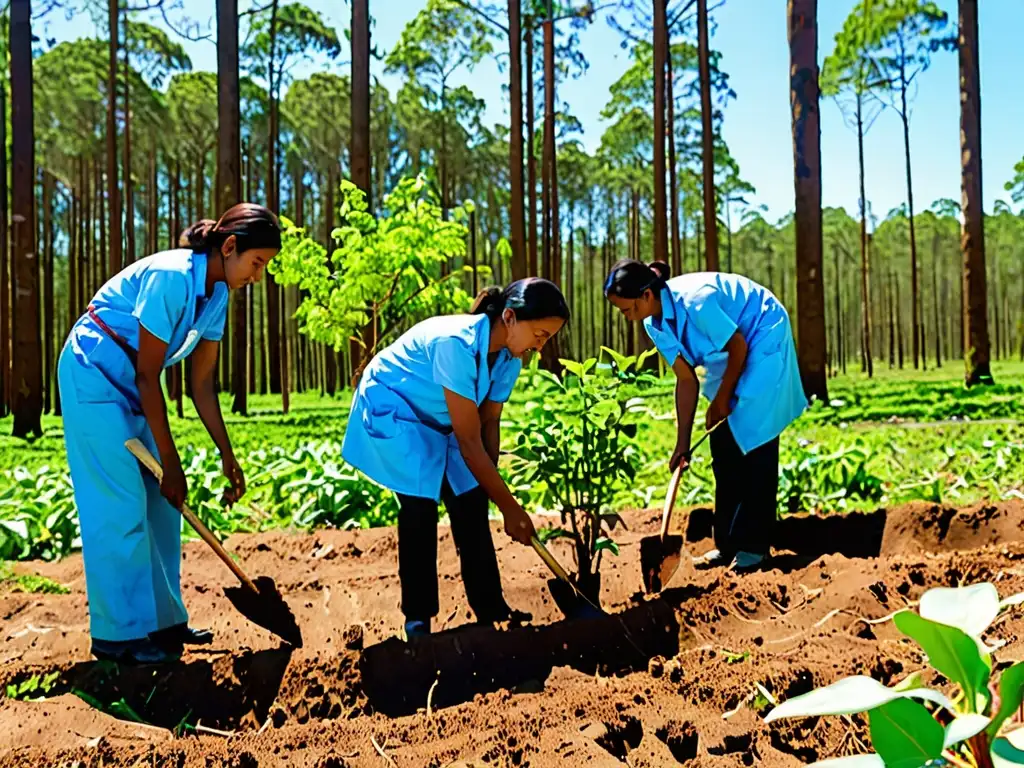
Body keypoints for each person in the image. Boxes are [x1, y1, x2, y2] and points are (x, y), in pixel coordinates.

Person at [58, 203, 282, 664]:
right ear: (229, 246)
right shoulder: (172, 277)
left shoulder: (218, 294)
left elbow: (202, 384)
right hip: (94, 375)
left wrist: (228, 455)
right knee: (119, 502)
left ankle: (163, 623)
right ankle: (118, 636)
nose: (258, 276)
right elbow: (148, 376)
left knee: (164, 505)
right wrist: (172, 463)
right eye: (257, 263)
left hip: (132, 384)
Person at [343, 278, 570, 639]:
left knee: (471, 502)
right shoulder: (456, 344)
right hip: (396, 408)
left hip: (440, 421)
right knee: (420, 506)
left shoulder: (509, 359)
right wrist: (511, 507)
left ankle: (491, 607)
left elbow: (488, 422)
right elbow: (467, 439)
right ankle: (417, 620)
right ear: (509, 317)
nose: (541, 347)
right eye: (539, 334)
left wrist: (491, 486)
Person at [604, 260, 807, 572]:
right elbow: (686, 379)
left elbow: (739, 345)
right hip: (729, 353)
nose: (626, 317)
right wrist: (682, 443)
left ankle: (754, 548)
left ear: (646, 295)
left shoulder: (695, 301)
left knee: (754, 437)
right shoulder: (653, 324)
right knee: (723, 445)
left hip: (762, 331)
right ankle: (727, 545)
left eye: (626, 309)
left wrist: (723, 398)